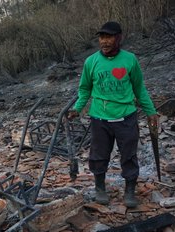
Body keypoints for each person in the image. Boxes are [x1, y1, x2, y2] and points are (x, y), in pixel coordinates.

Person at [67, 21, 158, 208]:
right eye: (101, 37)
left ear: (119, 38)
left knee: (129, 155)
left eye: (109, 37)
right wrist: (77, 109)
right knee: (98, 155)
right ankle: (100, 187)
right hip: (100, 117)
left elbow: (139, 89)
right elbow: (84, 89)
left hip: (126, 116)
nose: (104, 42)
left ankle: (130, 191)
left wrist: (151, 112)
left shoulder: (130, 60)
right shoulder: (91, 62)